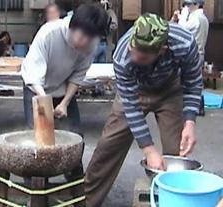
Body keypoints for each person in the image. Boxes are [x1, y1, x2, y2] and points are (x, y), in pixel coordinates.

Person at [85, 13, 203, 206]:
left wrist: (190, 121)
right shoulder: (123, 56)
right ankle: (86, 202)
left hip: (170, 90)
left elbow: (193, 82)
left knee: (176, 153)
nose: (133, 56)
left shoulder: (184, 43)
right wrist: (148, 149)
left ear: (161, 50)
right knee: (108, 146)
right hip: (135, 91)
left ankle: (172, 201)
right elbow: (131, 105)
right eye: (133, 50)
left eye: (141, 56)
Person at [21, 4, 109, 206]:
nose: (84, 42)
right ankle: (35, 190)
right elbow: (34, 75)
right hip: (35, 86)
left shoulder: (91, 43)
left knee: (75, 136)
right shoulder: (49, 33)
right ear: (72, 24)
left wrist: (64, 103)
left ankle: (75, 187)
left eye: (90, 38)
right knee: (37, 137)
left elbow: (78, 76)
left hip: (62, 87)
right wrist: (46, 104)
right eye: (81, 35)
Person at [172, 0, 209, 116]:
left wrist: (182, 15)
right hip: (200, 52)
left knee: (189, 80)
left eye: (189, 4)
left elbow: (182, 29)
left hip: (193, 53)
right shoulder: (204, 18)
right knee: (196, 79)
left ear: (197, 4)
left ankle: (193, 107)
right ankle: (199, 106)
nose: (187, 6)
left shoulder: (196, 18)